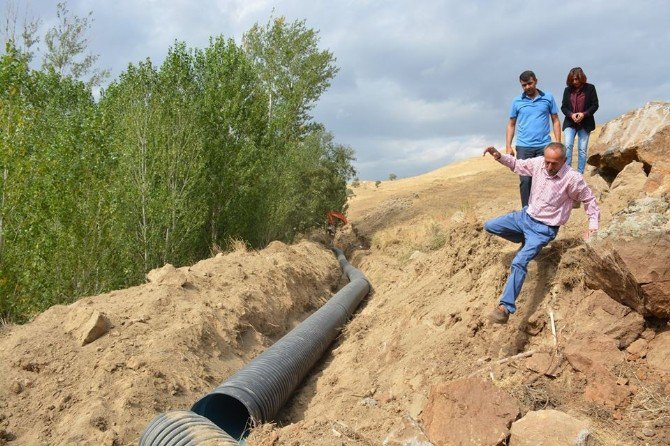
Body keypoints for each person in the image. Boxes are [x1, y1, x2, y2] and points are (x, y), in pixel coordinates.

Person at [481, 142, 600, 324]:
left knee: (519, 261)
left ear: (564, 161)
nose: (549, 167)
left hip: (543, 229)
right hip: (525, 217)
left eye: (554, 163)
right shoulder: (538, 163)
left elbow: (589, 200)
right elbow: (517, 165)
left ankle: (505, 307)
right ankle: (525, 240)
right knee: (490, 225)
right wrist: (498, 156)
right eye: (547, 162)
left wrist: (593, 227)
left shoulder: (573, 179)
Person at [506, 70, 562, 207]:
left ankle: (544, 208)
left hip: (544, 146)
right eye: (524, 85)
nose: (527, 87)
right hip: (524, 146)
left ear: (536, 81)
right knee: (525, 181)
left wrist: (558, 144)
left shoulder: (548, 98)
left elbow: (555, 120)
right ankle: (526, 211)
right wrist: (508, 146)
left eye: (529, 83)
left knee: (546, 178)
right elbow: (511, 124)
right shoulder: (517, 101)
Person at [561, 67, 599, 174]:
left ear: (582, 78)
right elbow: (563, 107)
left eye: (577, 79)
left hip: (585, 123)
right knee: (568, 146)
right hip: (570, 122)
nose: (575, 82)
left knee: (582, 149)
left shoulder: (590, 88)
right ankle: (567, 172)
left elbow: (595, 105)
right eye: (573, 79)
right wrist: (571, 115)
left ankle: (579, 174)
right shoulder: (567, 90)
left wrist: (584, 114)